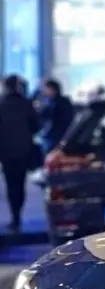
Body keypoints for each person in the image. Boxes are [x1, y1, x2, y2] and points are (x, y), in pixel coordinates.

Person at [0, 75, 40, 232]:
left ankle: (14, 215)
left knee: (11, 184)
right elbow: (36, 126)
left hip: (6, 151)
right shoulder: (26, 104)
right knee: (20, 183)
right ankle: (18, 212)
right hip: (24, 150)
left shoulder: (1, 105)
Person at [37, 79, 75, 156]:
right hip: (60, 137)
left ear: (53, 89)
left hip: (54, 137)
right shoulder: (62, 102)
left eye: (46, 89)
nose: (44, 92)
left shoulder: (54, 104)